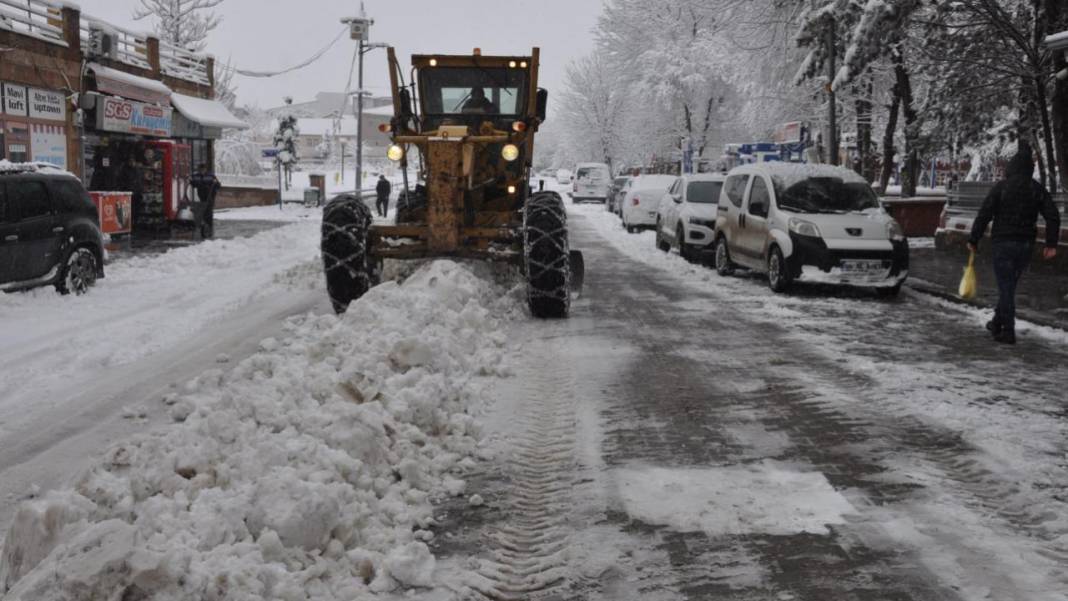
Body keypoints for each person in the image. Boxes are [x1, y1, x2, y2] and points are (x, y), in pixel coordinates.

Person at [968, 143, 1060, 345]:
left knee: (1006, 287)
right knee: (1008, 286)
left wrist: (974, 239)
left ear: (1012, 167)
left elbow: (984, 214)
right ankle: (996, 322)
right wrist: (1051, 244)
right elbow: (1053, 215)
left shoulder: (1002, 188)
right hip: (1025, 245)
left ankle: (1008, 331)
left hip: (1003, 243)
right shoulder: (1036, 189)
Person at [191, 163, 221, 239]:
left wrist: (215, 185)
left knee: (208, 211)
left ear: (205, 169)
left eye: (203, 169)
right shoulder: (196, 176)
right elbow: (193, 183)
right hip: (201, 196)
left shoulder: (211, 176)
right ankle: (203, 225)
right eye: (200, 170)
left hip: (210, 196)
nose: (202, 171)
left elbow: (218, 185)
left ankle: (209, 227)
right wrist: (191, 181)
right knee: (202, 211)